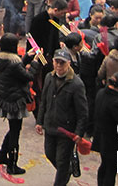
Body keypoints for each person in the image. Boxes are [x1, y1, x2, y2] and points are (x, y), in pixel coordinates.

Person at [35, 49, 88, 186]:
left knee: (62, 160)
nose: (59, 66)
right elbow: (44, 101)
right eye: (56, 62)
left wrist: (79, 133)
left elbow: (82, 112)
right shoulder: (49, 78)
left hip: (67, 130)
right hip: (50, 125)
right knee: (50, 154)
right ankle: (66, 171)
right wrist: (39, 121)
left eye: (62, 63)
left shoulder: (76, 84)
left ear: (68, 64)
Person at [0, 32, 34, 177]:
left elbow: (17, 65)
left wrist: (27, 56)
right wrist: (34, 64)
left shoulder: (1, 60)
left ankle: (2, 156)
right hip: (15, 100)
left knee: (13, 129)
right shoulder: (13, 64)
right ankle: (12, 164)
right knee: (15, 131)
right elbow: (28, 76)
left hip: (5, 98)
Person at [92, 72, 118, 186]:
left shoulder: (101, 93)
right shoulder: (117, 102)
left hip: (101, 138)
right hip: (113, 142)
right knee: (110, 171)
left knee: (104, 166)